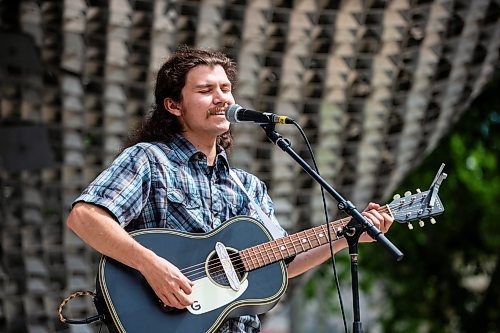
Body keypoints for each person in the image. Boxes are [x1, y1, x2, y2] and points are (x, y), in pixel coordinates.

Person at [66, 46, 394, 333]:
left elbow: (283, 262)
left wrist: (346, 235)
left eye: (226, 87)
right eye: (206, 90)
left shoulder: (247, 186)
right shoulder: (150, 160)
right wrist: (151, 265)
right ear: (174, 105)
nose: (222, 98)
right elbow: (85, 217)